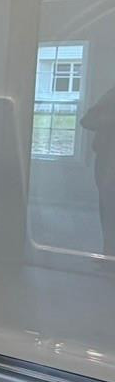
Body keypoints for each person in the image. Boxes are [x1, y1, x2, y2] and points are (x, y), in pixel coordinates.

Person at [81, 85, 115, 256]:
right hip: (107, 156)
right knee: (107, 206)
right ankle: (109, 253)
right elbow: (87, 120)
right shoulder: (111, 95)